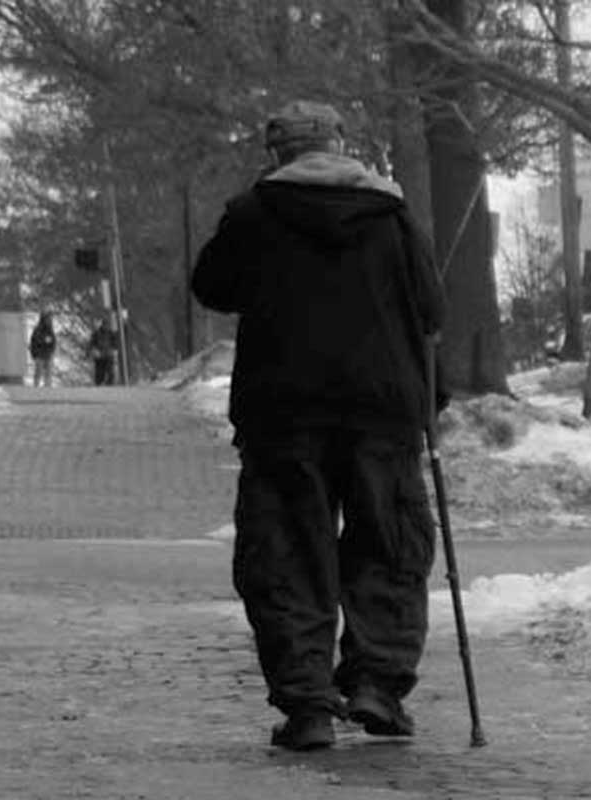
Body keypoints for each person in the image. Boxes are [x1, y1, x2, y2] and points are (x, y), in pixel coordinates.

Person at [191, 100, 447, 751]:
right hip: (382, 409)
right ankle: (377, 687)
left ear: (276, 155)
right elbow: (431, 309)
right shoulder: (392, 216)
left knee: (285, 553)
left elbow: (213, 287)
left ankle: (307, 704)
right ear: (341, 146)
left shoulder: (254, 214)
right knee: (388, 546)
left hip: (284, 411)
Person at [87, 316, 118, 386]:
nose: (106, 327)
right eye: (104, 325)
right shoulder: (96, 333)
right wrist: (89, 352)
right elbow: (91, 343)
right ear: (102, 325)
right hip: (99, 356)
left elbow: (115, 343)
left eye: (107, 325)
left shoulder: (111, 333)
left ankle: (110, 385)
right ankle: (99, 385)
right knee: (99, 373)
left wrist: (114, 350)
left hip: (108, 355)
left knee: (110, 372)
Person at [29, 310, 56, 388]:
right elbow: (35, 341)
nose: (49, 320)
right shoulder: (38, 329)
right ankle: (36, 386)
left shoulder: (50, 330)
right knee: (39, 371)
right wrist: (34, 353)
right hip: (39, 353)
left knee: (48, 371)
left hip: (48, 353)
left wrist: (52, 350)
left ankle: (47, 386)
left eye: (50, 319)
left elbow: (53, 341)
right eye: (48, 318)